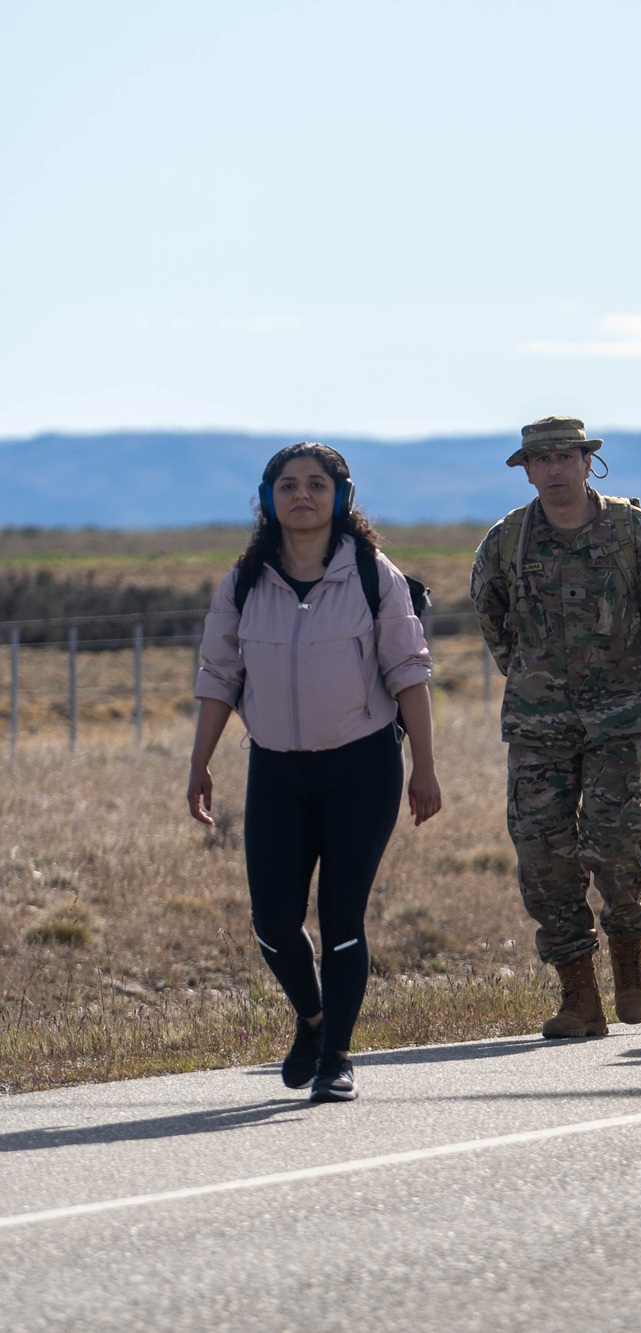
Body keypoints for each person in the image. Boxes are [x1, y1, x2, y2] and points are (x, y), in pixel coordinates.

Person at [188, 443, 440, 1104]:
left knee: (342, 918)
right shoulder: (244, 581)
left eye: (317, 484)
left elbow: (409, 671)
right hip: (276, 769)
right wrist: (199, 762)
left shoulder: (372, 575)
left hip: (362, 765)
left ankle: (336, 1058)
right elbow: (219, 675)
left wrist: (425, 766)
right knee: (273, 923)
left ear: (341, 496)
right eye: (288, 485)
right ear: (268, 498)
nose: (302, 494)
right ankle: (314, 1018)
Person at [471, 416, 641, 1039]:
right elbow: (491, 614)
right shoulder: (507, 540)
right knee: (541, 853)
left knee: (615, 841)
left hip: (618, 715)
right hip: (536, 720)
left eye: (564, 457)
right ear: (526, 470)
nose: (553, 470)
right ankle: (579, 997)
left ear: (587, 463)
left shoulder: (634, 531)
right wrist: (530, 678)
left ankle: (628, 947)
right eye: (540, 461)